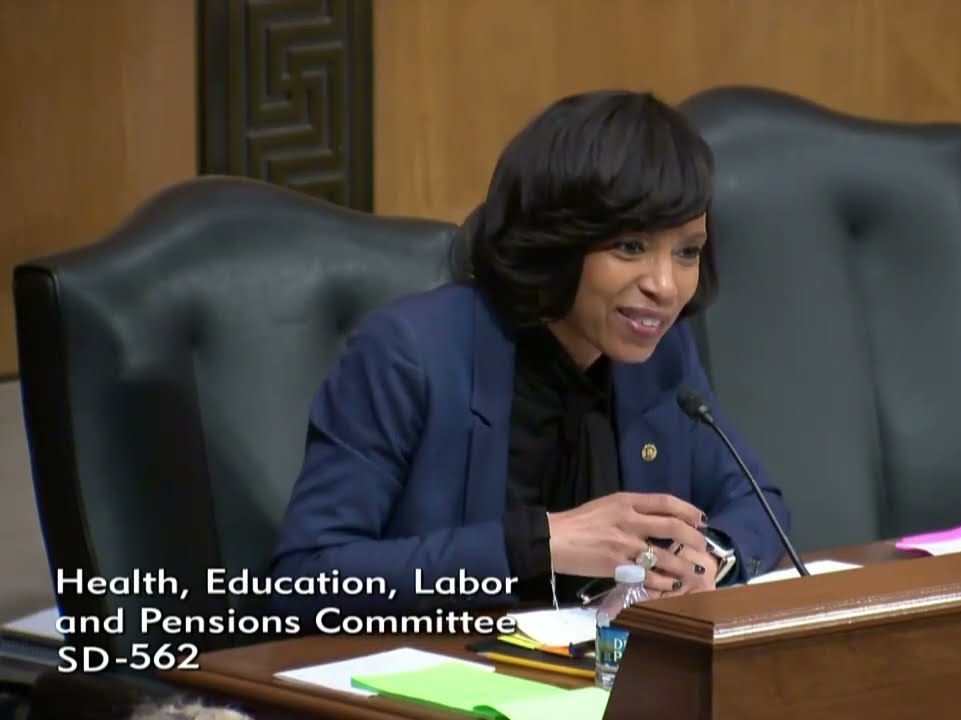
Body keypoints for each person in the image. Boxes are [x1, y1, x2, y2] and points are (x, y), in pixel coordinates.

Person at [268, 90, 790, 620]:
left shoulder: (661, 352)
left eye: (687, 252)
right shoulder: (409, 354)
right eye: (630, 247)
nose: (665, 286)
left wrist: (709, 561)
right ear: (556, 242)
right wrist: (533, 545)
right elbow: (307, 579)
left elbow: (760, 506)